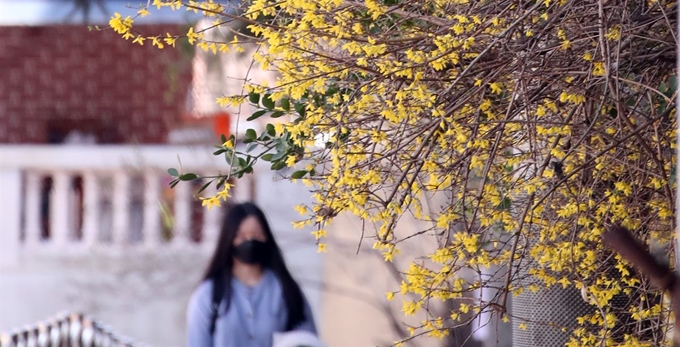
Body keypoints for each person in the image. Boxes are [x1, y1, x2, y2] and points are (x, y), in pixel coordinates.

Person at [187, 202, 318, 347]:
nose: (250, 241)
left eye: (256, 234)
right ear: (228, 239)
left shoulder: (287, 291)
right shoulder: (209, 294)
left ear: (267, 237)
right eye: (241, 236)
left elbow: (307, 340)